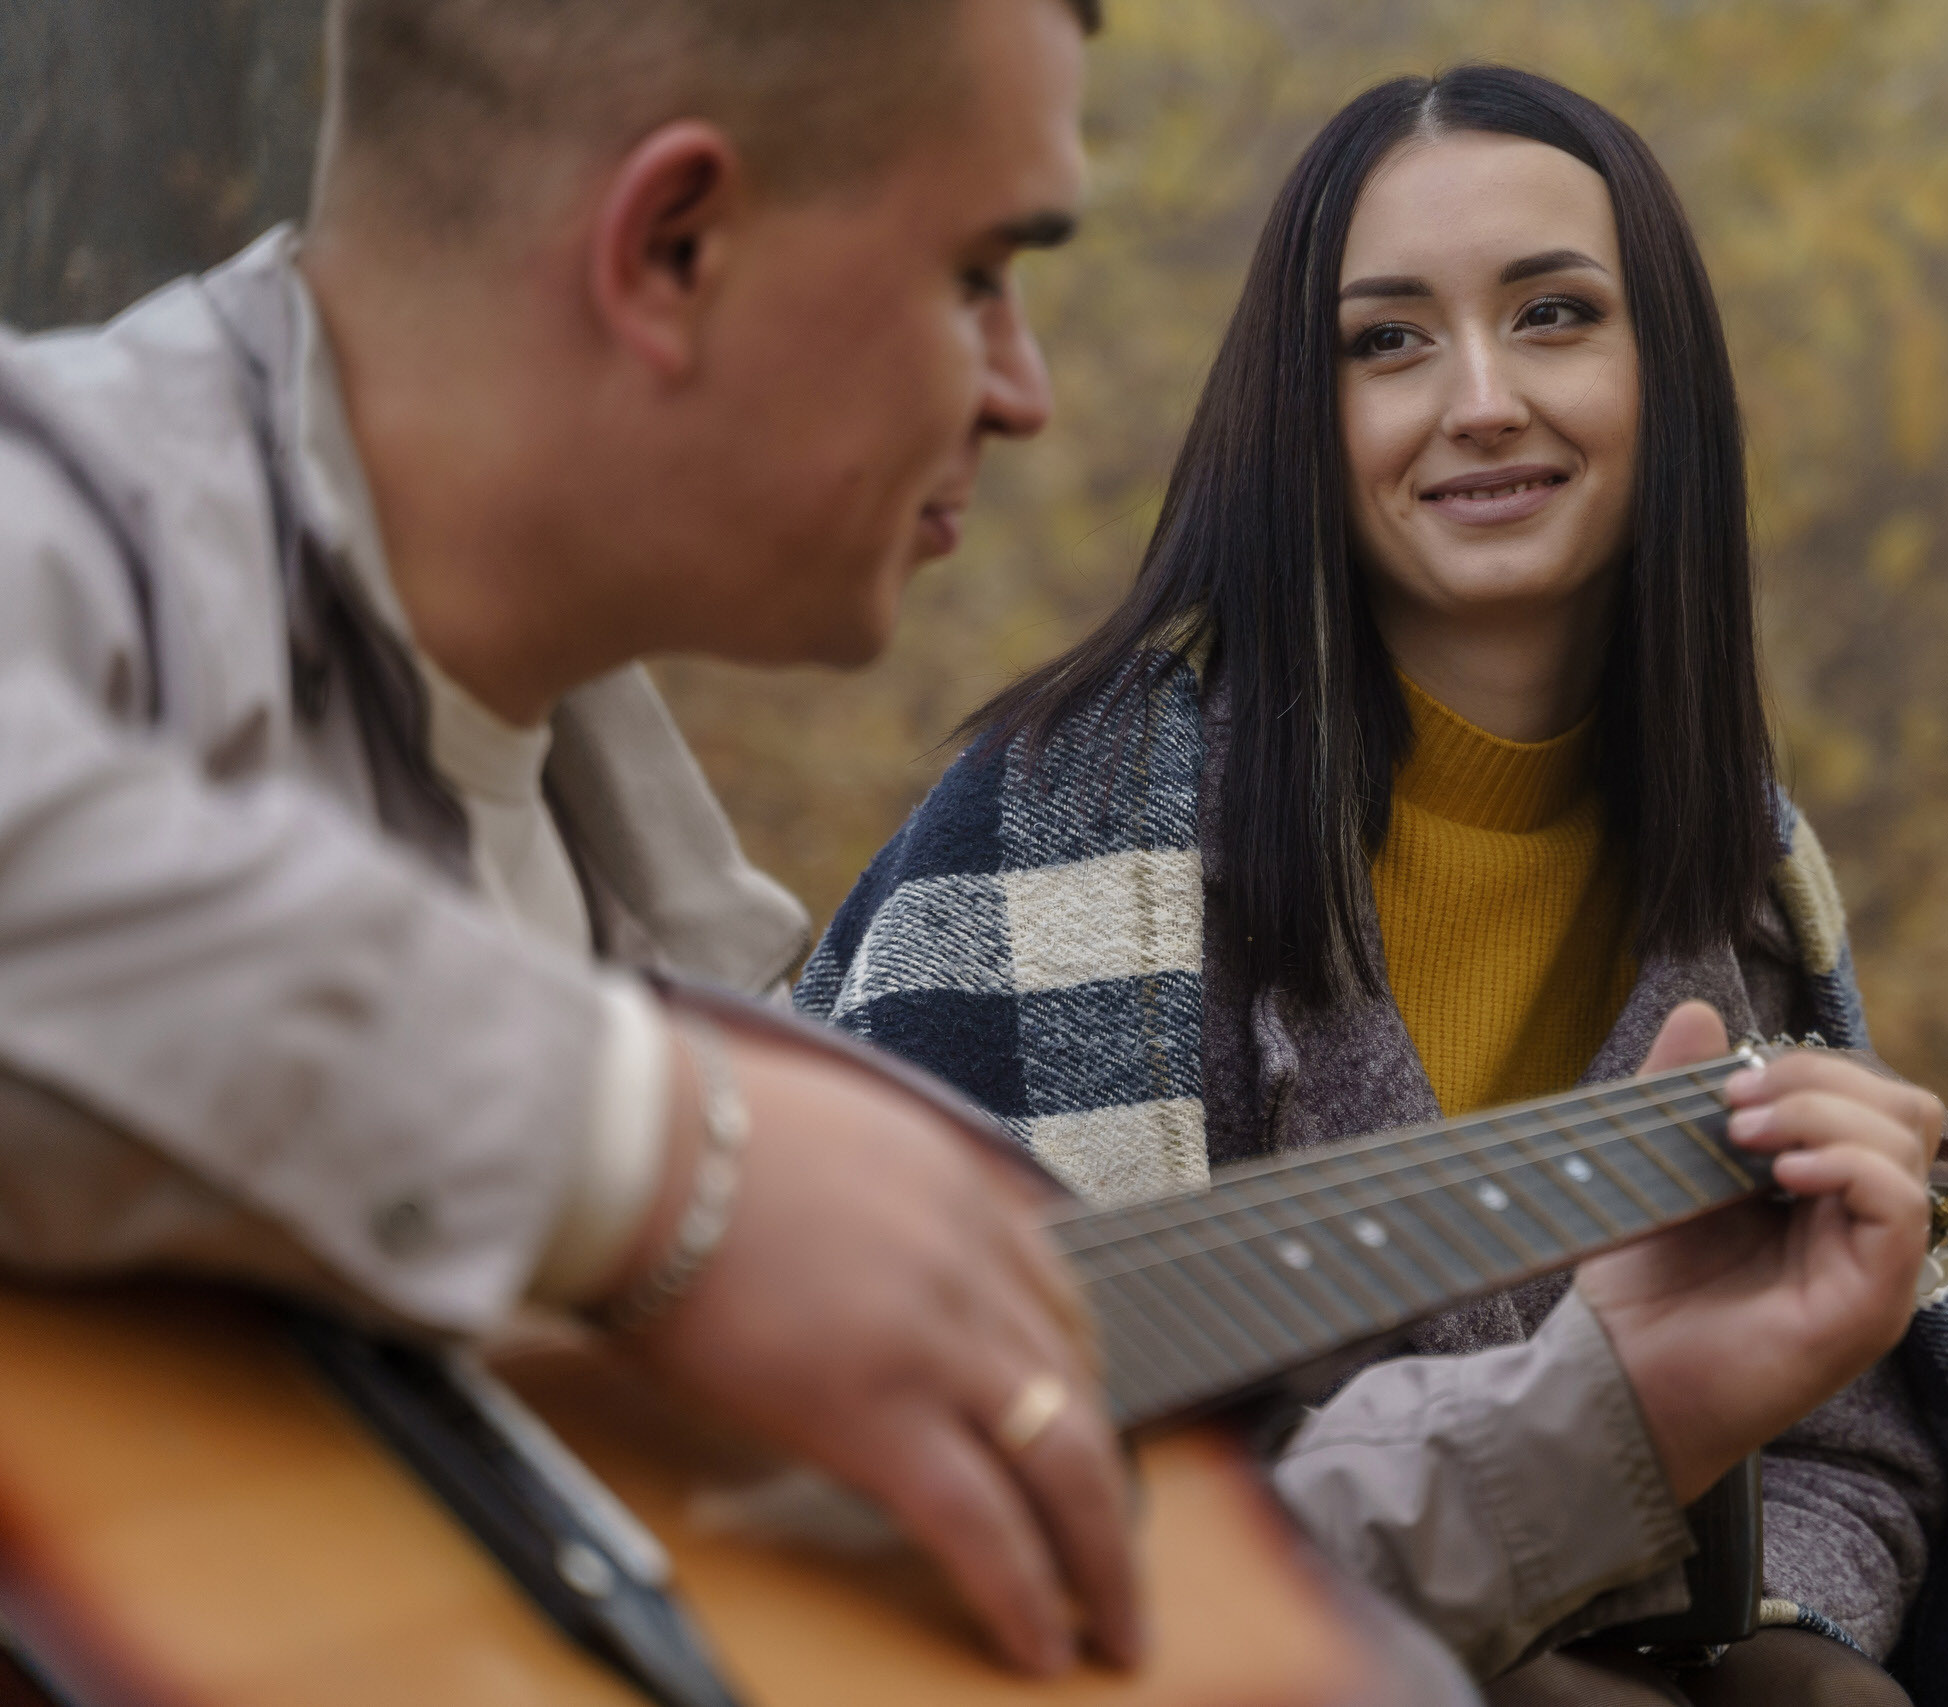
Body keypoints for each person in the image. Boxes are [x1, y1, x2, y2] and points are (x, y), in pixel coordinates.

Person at [798, 66, 1948, 1707]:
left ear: (1667, 375)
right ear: (1301, 414)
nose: (1482, 399)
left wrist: (1785, 1650)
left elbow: (1845, 1458)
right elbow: (955, 1475)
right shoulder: (1064, 833)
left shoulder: (1746, 869)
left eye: (1555, 316)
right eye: (1388, 341)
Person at [0, 0, 1145, 1680]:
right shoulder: (56, 508)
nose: (1024, 391)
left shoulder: (619, 846)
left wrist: (1595, 1408)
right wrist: (654, 1163)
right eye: (978, 271)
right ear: (672, 249)